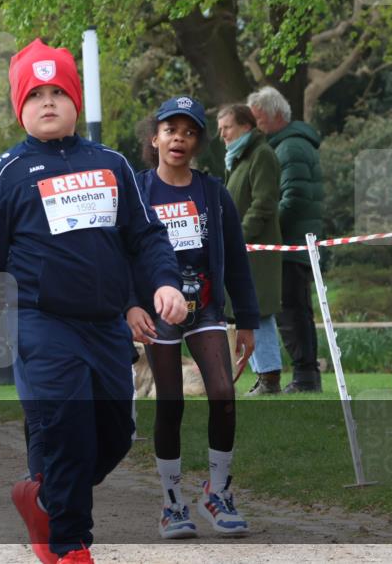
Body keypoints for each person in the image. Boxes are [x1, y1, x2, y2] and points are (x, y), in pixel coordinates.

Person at [0, 38, 185, 563]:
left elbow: (144, 238)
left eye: (59, 90)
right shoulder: (4, 174)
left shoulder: (112, 163)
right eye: (35, 94)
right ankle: (71, 544)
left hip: (105, 326)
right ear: (20, 107)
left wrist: (164, 283)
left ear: (76, 99)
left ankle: (41, 499)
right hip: (40, 322)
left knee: (116, 436)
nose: (48, 101)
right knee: (67, 431)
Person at [128, 97, 259, 539]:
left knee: (223, 392)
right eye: (170, 130)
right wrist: (132, 306)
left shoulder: (212, 193)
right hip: (158, 313)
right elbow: (124, 255)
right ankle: (171, 503)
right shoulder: (139, 190)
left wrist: (247, 320)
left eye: (188, 131)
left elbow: (237, 260)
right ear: (155, 138)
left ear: (198, 141)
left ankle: (217, 491)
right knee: (171, 402)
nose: (178, 138)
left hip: (204, 309)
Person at [248, 87, 325, 393]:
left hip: (290, 243)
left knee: (292, 311)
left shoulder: (289, 148)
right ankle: (306, 375)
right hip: (297, 240)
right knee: (296, 310)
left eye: (258, 118)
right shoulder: (292, 144)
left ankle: (305, 376)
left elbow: (293, 198)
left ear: (274, 115)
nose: (255, 125)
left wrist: (266, 230)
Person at [217, 104, 285, 395]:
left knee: (260, 312)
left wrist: (240, 236)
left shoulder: (261, 155)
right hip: (244, 250)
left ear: (246, 126)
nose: (222, 135)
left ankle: (270, 378)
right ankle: (263, 374)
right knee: (249, 312)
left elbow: (264, 203)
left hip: (255, 250)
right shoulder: (240, 157)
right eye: (220, 129)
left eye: (227, 128)